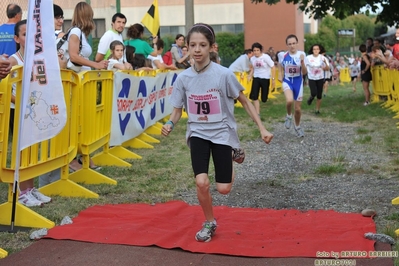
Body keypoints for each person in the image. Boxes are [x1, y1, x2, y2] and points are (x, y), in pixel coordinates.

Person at [161, 23, 273, 243]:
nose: (197, 49)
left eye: (203, 45)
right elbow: (177, 111)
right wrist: (170, 124)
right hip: (198, 133)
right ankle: (210, 221)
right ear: (187, 49)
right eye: (192, 45)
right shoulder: (183, 79)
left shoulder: (224, 75)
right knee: (201, 182)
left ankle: (232, 153)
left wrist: (262, 128)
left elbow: (244, 101)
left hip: (222, 133)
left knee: (223, 189)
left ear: (212, 47)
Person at [8, 20, 52, 206]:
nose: (30, 38)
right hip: (17, 112)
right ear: (17, 38)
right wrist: (20, 103)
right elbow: (6, 88)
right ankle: (18, 192)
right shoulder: (13, 60)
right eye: (25, 34)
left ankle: (29, 188)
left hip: (34, 112)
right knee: (20, 151)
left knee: (32, 151)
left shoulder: (37, 58)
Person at [67, 1, 108, 172]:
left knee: (82, 122)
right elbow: (74, 56)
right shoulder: (75, 32)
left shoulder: (80, 34)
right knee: (75, 122)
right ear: (86, 15)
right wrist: (95, 65)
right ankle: (72, 159)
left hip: (81, 83)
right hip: (74, 83)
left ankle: (84, 155)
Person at [278, 34, 307, 137]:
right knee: (289, 100)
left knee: (298, 109)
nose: (292, 46)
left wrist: (302, 62)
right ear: (287, 45)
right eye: (289, 44)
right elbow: (280, 65)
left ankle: (297, 127)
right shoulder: (283, 55)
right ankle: (289, 116)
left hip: (298, 82)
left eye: (294, 43)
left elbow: (304, 72)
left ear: (297, 43)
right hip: (287, 81)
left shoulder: (302, 54)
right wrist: (280, 74)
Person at [248, 42, 275, 116]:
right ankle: (257, 113)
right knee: (254, 96)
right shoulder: (252, 59)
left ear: (260, 50)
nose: (256, 52)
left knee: (264, 99)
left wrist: (273, 79)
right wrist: (250, 75)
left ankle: (264, 97)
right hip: (256, 78)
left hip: (265, 78)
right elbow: (253, 68)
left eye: (257, 50)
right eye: (254, 51)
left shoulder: (265, 57)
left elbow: (273, 67)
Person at [305, 44, 329, 115]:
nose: (315, 50)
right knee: (313, 92)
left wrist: (325, 65)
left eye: (317, 49)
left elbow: (327, 69)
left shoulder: (323, 58)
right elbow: (304, 66)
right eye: (314, 49)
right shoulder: (308, 58)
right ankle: (311, 98)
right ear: (312, 50)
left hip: (320, 78)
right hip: (311, 78)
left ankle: (317, 110)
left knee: (319, 95)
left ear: (319, 50)